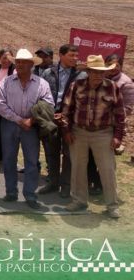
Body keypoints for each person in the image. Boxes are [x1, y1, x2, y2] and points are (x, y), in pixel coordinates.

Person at [62, 55, 126, 219]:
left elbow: (120, 114)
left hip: (103, 133)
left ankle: (112, 205)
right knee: (78, 168)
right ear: (88, 72)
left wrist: (118, 136)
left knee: (107, 170)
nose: (98, 75)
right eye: (95, 72)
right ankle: (79, 201)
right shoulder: (76, 85)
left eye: (101, 72)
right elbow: (66, 110)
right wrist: (67, 131)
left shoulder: (112, 87)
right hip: (79, 132)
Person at [0, 49, 54, 210]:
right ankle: (11, 192)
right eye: (18, 62)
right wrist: (20, 120)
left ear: (31, 65)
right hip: (9, 124)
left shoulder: (42, 84)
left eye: (24, 62)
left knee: (32, 161)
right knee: (9, 160)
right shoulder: (6, 82)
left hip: (31, 126)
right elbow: (0, 105)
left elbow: (48, 104)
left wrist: (31, 120)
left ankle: (30, 194)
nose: (20, 64)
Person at [40, 44, 86, 197]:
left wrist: (68, 115)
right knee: (51, 152)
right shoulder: (48, 73)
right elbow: (41, 93)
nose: (75, 58)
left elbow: (82, 100)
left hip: (70, 120)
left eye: (76, 55)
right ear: (61, 55)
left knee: (68, 153)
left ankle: (66, 186)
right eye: (71, 55)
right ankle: (53, 182)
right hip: (51, 118)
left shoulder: (81, 76)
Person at [104, 54, 134, 161]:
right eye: (110, 64)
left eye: (116, 65)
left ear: (121, 66)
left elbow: (127, 108)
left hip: (113, 125)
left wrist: (109, 117)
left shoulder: (126, 82)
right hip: (96, 124)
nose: (113, 67)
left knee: (106, 157)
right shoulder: (100, 77)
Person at [0, 48, 16, 163]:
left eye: (9, 58)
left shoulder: (15, 70)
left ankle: (8, 157)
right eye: (4, 58)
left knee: (8, 133)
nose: (7, 60)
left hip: (9, 107)